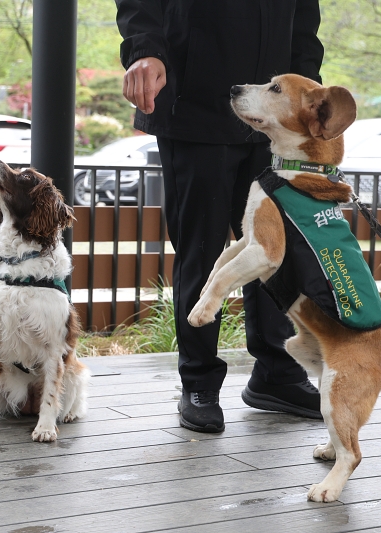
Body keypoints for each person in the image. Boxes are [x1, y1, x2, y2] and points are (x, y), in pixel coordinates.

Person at [116, 0, 326, 433]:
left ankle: (278, 374)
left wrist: (311, 99)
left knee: (275, 251)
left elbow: (304, 23)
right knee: (201, 251)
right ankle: (199, 382)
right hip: (194, 107)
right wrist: (144, 50)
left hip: (273, 120)